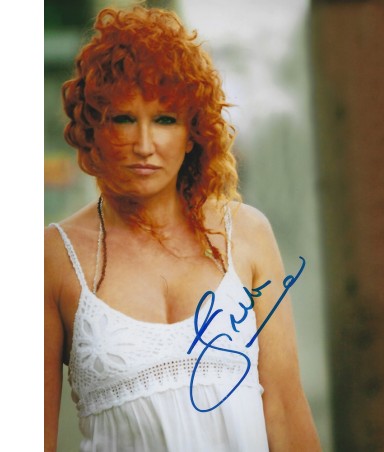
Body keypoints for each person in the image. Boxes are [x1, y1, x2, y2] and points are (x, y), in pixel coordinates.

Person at [44, 6, 321, 452]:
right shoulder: (55, 257)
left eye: (165, 119)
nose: (144, 145)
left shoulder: (246, 235)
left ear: (192, 132)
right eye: (123, 119)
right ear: (93, 128)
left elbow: (286, 412)